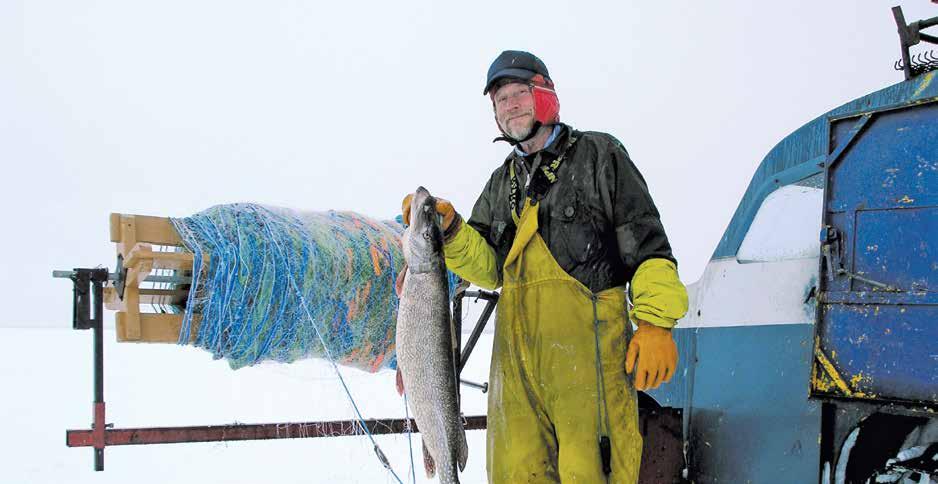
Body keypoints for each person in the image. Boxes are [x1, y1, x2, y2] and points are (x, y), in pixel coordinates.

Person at [400, 50, 688, 483]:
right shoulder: (502, 183)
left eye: (520, 93)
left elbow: (648, 246)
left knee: (592, 474)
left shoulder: (598, 155)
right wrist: (453, 230)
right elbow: (491, 267)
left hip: (587, 371)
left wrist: (655, 322)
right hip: (516, 378)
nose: (511, 105)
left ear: (546, 96)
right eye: (501, 100)